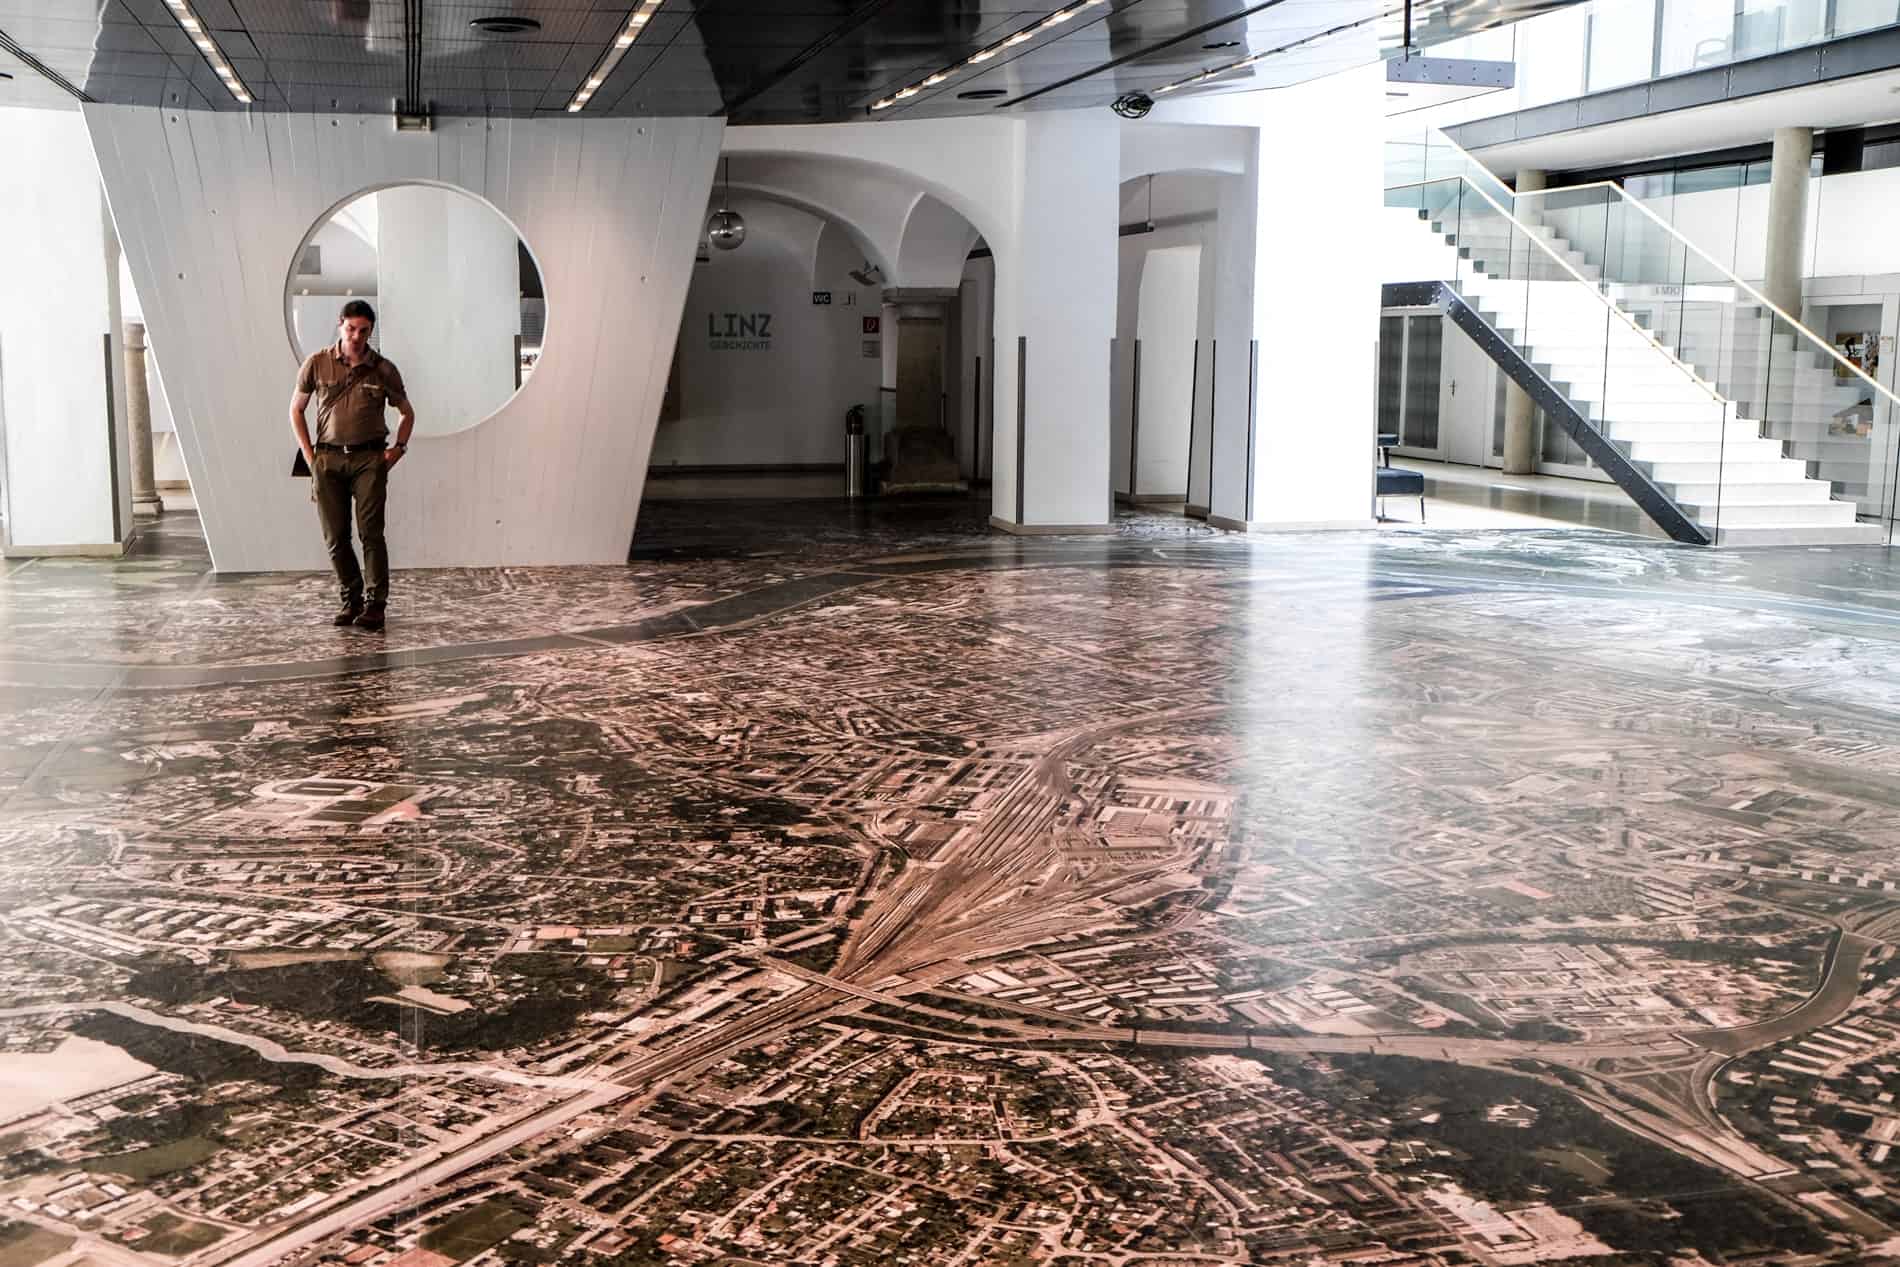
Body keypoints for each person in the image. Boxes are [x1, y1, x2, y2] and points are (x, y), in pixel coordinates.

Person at [289, 300, 414, 631]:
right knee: (335, 536)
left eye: (364, 330)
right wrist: (309, 455)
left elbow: (407, 412)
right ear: (340, 325)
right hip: (327, 460)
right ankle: (351, 598)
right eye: (351, 328)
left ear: (371, 331)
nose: (357, 336)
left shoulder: (383, 369)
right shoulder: (317, 363)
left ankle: (376, 604)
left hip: (368, 461)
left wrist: (397, 449)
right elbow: (296, 410)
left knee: (371, 533)